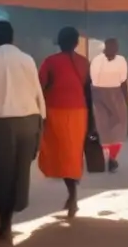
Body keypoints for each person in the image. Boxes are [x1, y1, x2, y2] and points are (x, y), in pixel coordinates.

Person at [0, 21, 46, 240]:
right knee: (21, 171)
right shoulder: (27, 59)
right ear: (12, 38)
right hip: (30, 120)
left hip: (3, 123)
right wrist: (41, 120)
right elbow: (37, 91)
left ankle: (5, 223)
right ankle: (10, 219)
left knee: (2, 173)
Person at [38, 27, 94, 219]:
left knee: (61, 153)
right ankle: (73, 195)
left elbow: (40, 87)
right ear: (76, 43)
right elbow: (89, 92)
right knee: (72, 154)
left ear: (59, 42)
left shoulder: (50, 62)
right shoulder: (84, 62)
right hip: (80, 113)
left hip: (55, 112)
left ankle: (73, 195)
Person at [90, 38, 128, 172]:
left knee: (119, 126)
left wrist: (127, 102)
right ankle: (106, 156)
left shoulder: (121, 60)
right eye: (111, 47)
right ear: (105, 47)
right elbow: (93, 81)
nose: (114, 50)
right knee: (102, 127)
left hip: (116, 95)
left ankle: (112, 158)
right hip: (99, 95)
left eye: (116, 47)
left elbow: (123, 82)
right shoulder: (97, 61)